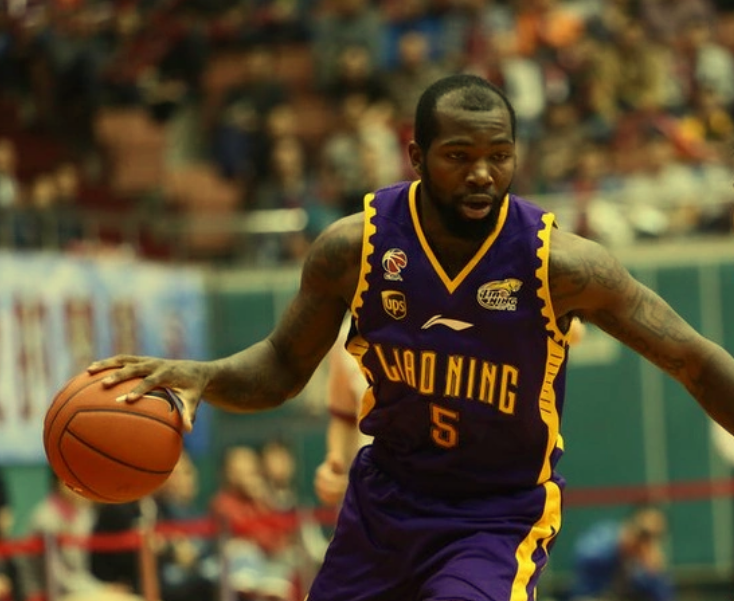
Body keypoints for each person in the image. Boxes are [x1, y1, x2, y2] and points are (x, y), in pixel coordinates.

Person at [89, 73, 734, 601]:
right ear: (418, 157)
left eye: (499, 156)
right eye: (459, 156)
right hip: (384, 508)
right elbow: (282, 364)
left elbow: (692, 359)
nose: (482, 174)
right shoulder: (354, 250)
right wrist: (204, 375)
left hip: (496, 515)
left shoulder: (561, 266)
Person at [568, 504, 674, 601]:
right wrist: (621, 550)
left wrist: (655, 574)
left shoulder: (644, 563)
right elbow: (584, 557)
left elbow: (662, 594)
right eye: (644, 535)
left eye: (655, 537)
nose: (645, 543)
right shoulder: (604, 539)